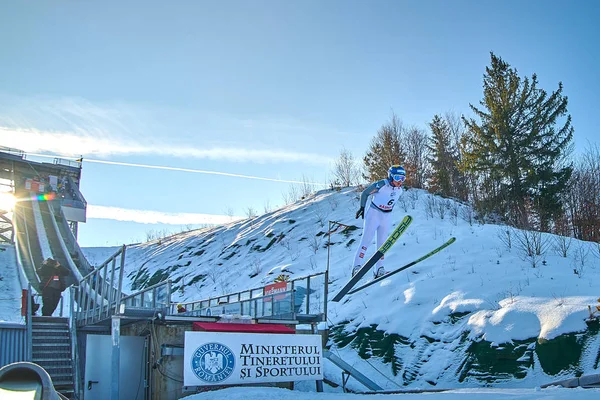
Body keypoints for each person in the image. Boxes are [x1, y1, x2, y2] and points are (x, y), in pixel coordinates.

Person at [353, 165, 406, 278]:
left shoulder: (399, 190)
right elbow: (365, 193)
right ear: (391, 177)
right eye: (397, 178)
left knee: (382, 244)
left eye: (402, 178)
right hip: (374, 214)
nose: (400, 181)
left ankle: (379, 269)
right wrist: (362, 207)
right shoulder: (382, 185)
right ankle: (357, 266)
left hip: (386, 217)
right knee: (366, 240)